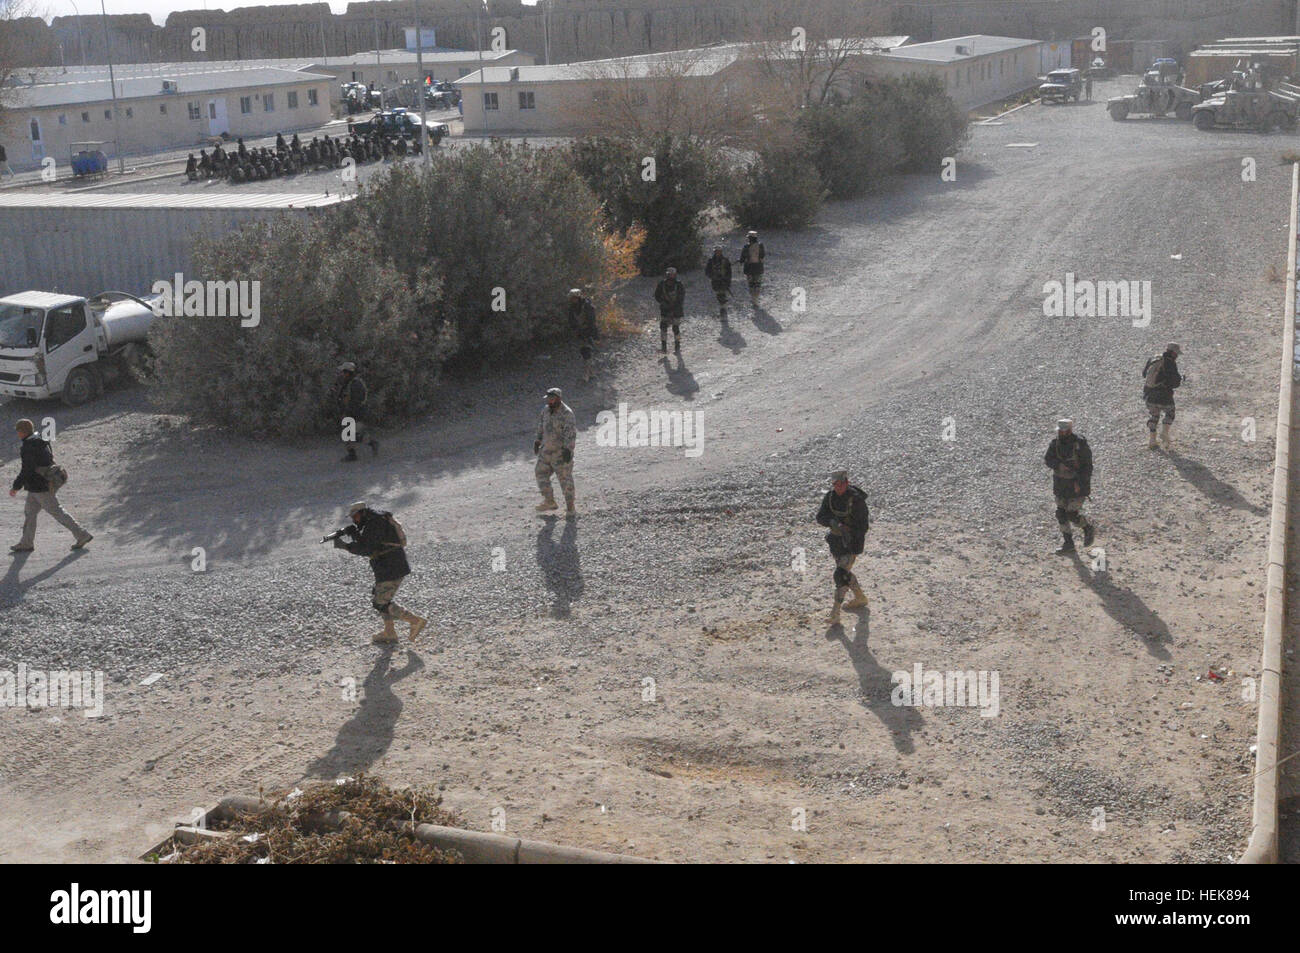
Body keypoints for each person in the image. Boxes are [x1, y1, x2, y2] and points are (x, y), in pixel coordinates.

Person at [332, 501, 427, 644]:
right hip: (388, 565)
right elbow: (370, 542)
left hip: (391, 566)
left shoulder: (374, 523)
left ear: (362, 513)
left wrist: (345, 546)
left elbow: (367, 549)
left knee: (380, 603)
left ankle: (415, 621)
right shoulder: (375, 520)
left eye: (355, 517)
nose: (354, 520)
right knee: (380, 597)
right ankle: (390, 633)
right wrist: (355, 533)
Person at [9, 418, 92, 553]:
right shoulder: (40, 440)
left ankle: (82, 535)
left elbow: (27, 470)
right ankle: (26, 543)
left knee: (57, 512)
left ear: (23, 432)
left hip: (40, 487)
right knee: (30, 513)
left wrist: (15, 486)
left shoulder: (29, 447)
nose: (17, 434)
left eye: (18, 431)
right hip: (38, 485)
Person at [815, 468, 870, 624]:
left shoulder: (856, 500)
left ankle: (835, 614)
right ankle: (860, 598)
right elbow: (820, 517)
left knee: (840, 575)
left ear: (847, 482)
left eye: (841, 483)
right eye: (835, 484)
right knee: (844, 573)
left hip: (851, 543)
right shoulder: (830, 497)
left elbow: (863, 526)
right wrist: (832, 522)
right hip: (836, 543)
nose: (838, 487)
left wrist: (851, 536)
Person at [1044, 418, 1095, 554]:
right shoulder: (1055, 444)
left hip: (1076, 485)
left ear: (1070, 430)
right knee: (1061, 514)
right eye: (1060, 431)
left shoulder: (1080, 444)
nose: (1062, 433)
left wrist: (1081, 484)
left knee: (1072, 514)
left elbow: (1087, 467)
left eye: (1064, 431)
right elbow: (1048, 459)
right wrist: (1058, 465)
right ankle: (1068, 543)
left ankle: (1087, 528)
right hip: (1060, 485)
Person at [534, 387, 577, 515]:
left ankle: (570, 507)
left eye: (552, 399)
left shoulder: (567, 414)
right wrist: (537, 440)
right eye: (548, 399)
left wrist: (568, 449)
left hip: (560, 453)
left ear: (558, 399)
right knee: (540, 473)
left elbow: (571, 433)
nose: (549, 402)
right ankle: (549, 501)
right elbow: (541, 426)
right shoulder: (546, 410)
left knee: (565, 480)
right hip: (546, 451)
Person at [334, 362, 379, 462]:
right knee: (348, 434)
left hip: (357, 414)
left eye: (343, 372)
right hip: (351, 414)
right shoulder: (347, 383)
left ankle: (371, 444)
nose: (341, 374)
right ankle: (353, 454)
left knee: (355, 434)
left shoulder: (355, 383)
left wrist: (348, 412)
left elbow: (356, 401)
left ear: (348, 372)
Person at [1143, 343, 1182, 450]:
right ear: (1173, 353)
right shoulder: (1170, 363)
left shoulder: (1153, 359)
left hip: (1149, 394)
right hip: (1164, 395)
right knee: (1170, 413)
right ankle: (1164, 433)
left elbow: (1144, 374)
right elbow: (1175, 383)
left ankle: (1152, 440)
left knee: (1154, 415)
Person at [567, 288, 598, 382]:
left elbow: (592, 321)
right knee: (585, 353)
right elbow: (572, 321)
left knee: (586, 352)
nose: (572, 300)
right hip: (580, 333)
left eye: (573, 298)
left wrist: (592, 334)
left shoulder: (587, 307)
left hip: (588, 332)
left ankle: (586, 375)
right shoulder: (573, 307)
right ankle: (592, 373)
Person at [653, 267, 686, 354]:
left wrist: (674, 306)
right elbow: (657, 295)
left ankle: (677, 346)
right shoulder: (662, 284)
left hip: (676, 310)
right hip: (665, 309)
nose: (670, 276)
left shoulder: (679, 285)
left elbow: (681, 298)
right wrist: (663, 302)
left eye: (672, 274)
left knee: (675, 328)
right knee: (663, 327)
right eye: (669, 274)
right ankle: (664, 347)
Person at [704, 246, 732, 319]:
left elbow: (729, 272)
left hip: (724, 281)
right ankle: (722, 308)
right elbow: (707, 271)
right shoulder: (711, 261)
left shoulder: (725, 260)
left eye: (719, 251)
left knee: (722, 295)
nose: (717, 253)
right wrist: (712, 276)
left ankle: (723, 310)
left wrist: (727, 280)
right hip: (715, 281)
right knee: (719, 295)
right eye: (716, 251)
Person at [738, 230, 765, 305]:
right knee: (758, 284)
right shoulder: (760, 245)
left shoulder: (746, 246)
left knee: (751, 284)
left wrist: (740, 261)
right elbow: (763, 255)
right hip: (758, 268)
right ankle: (756, 299)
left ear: (749, 238)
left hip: (749, 268)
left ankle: (753, 299)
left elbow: (742, 258)